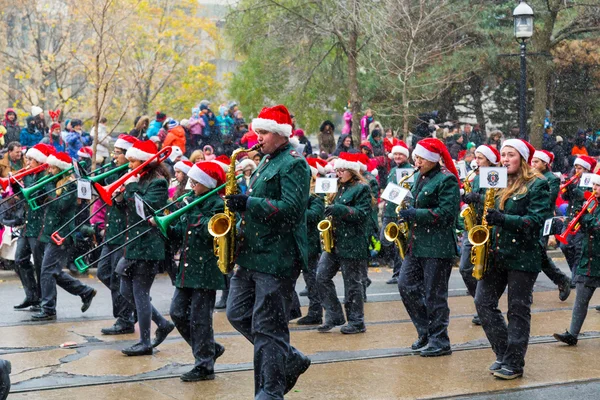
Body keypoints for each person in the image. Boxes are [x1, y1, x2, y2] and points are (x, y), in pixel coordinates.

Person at [224, 105, 311, 399]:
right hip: (251, 253)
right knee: (236, 313)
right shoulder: (265, 162)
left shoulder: (294, 163)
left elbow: (291, 211)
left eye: (262, 132)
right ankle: (289, 357)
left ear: (280, 134)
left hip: (277, 256)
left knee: (268, 328)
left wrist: (249, 204)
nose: (256, 137)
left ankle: (270, 391)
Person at [474, 139, 550, 380]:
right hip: (496, 253)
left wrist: (503, 219)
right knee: (483, 302)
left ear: (524, 158)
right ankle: (504, 352)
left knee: (517, 310)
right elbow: (488, 210)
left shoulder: (538, 184)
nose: (505, 159)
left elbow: (535, 223)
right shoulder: (496, 178)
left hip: (522, 255)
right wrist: (477, 203)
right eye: (503, 155)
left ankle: (514, 363)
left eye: (511, 155)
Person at [158, 161, 227, 381]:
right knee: (177, 312)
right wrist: (165, 226)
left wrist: (193, 211)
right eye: (192, 181)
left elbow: (212, 231)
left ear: (207, 184)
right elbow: (181, 233)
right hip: (187, 268)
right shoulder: (192, 201)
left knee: (200, 319)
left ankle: (204, 365)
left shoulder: (217, 204)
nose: (191, 186)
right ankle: (209, 348)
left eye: (196, 182)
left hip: (206, 268)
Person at [397, 138, 460, 357]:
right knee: (405, 285)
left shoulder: (446, 180)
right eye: (416, 157)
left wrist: (416, 214)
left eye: (421, 158)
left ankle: (440, 340)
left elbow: (446, 214)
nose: (417, 161)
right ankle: (425, 331)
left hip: (438, 246)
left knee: (435, 295)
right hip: (417, 244)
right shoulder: (420, 177)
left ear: (433, 159)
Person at [114, 140, 175, 355]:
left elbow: (146, 210)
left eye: (132, 160)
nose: (128, 164)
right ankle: (162, 323)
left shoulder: (157, 182)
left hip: (149, 245)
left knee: (140, 293)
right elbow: (127, 209)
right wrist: (120, 197)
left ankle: (145, 342)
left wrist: (129, 188)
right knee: (125, 290)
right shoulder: (138, 179)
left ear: (144, 161)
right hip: (133, 244)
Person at [32, 152, 97, 321]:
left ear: (61, 168)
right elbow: (36, 200)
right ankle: (85, 291)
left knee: (47, 271)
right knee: (53, 271)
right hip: (49, 233)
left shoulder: (71, 185)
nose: (50, 171)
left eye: (53, 167)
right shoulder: (54, 182)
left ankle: (48, 309)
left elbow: (60, 205)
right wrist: (40, 185)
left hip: (62, 234)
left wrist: (48, 186)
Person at [316, 152, 371, 334]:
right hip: (335, 240)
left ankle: (357, 322)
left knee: (352, 283)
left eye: (342, 170)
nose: (338, 173)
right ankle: (334, 315)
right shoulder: (338, 187)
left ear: (352, 171)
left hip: (353, 241)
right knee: (321, 277)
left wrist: (339, 209)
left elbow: (362, 214)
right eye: (337, 170)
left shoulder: (361, 188)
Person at [97, 135, 138, 335]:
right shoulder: (115, 171)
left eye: (118, 153)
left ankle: (125, 319)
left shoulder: (132, 174)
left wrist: (121, 196)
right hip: (111, 230)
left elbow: (127, 204)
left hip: (124, 232)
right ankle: (134, 305)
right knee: (103, 272)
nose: (115, 156)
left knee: (116, 277)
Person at [554, 173, 600, 346]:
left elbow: (596, 226)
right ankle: (572, 334)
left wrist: (583, 216)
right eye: (593, 185)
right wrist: (576, 217)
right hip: (588, 261)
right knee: (581, 300)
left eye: (597, 186)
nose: (594, 189)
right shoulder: (594, 204)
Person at [12, 144, 55, 311]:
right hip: (27, 224)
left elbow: (43, 197)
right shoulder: (29, 176)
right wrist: (14, 183)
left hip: (40, 226)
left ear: (39, 161)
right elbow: (23, 196)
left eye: (30, 159)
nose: (27, 162)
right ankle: (32, 296)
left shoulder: (46, 176)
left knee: (41, 266)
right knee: (20, 260)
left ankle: (46, 303)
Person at [461, 144, 500, 325]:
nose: (476, 161)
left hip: (489, 227)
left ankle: (485, 306)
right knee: (465, 268)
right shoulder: (475, 177)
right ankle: (481, 303)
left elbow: (497, 199)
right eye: (475, 157)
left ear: (490, 161)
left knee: (485, 270)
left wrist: (478, 198)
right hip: (475, 227)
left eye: (480, 158)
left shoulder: (497, 174)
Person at [531, 150, 572, 300]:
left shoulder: (551, 179)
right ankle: (561, 279)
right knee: (537, 254)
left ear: (545, 163)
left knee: (536, 253)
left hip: (543, 220)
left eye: (536, 162)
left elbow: (549, 200)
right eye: (532, 161)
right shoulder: (531, 177)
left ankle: (527, 289)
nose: (533, 164)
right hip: (530, 218)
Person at [296, 158, 326, 325]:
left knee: (311, 278)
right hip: (297, 241)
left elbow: (315, 215)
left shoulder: (316, 196)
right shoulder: (298, 191)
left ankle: (316, 311)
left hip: (309, 242)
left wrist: (296, 212)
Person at [560, 155, 596, 282]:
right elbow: (565, 198)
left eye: (579, 168)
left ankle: (575, 278)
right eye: (575, 167)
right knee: (564, 246)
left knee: (578, 248)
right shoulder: (573, 179)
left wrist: (576, 190)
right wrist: (566, 189)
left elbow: (588, 197)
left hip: (582, 218)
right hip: (570, 217)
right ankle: (574, 273)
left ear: (586, 169)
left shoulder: (592, 181)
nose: (576, 171)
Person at [382, 143, 412, 284]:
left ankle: (400, 273)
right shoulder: (393, 170)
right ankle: (398, 271)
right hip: (390, 210)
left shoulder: (411, 170)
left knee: (400, 244)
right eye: (395, 154)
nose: (397, 157)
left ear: (406, 156)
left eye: (400, 154)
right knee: (386, 240)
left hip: (401, 212)